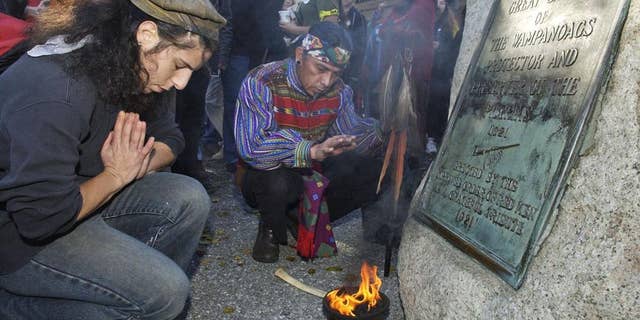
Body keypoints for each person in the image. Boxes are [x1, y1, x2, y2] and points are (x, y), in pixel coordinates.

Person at [0, 0, 225, 319]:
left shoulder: (132, 62)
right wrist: (116, 175)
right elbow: (40, 219)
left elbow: (171, 137)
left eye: (192, 70)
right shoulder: (57, 87)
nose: (181, 83)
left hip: (81, 200)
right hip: (16, 238)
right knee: (166, 291)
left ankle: (124, 298)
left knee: (188, 197)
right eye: (180, 65)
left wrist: (133, 166)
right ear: (147, 33)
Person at [235, 22, 385, 263]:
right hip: (266, 175)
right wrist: (310, 150)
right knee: (276, 179)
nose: (327, 81)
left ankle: (299, 217)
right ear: (299, 55)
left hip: (309, 176)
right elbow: (252, 146)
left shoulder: (339, 92)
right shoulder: (262, 81)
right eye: (321, 68)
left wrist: (382, 131)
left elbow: (352, 132)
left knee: (373, 170)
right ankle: (271, 226)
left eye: (335, 73)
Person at [425, 0, 463, 154]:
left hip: (444, 70)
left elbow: (456, 44)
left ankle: (440, 137)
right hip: (430, 69)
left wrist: (440, 49)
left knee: (442, 104)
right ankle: (431, 137)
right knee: (431, 105)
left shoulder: (451, 20)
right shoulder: (430, 18)